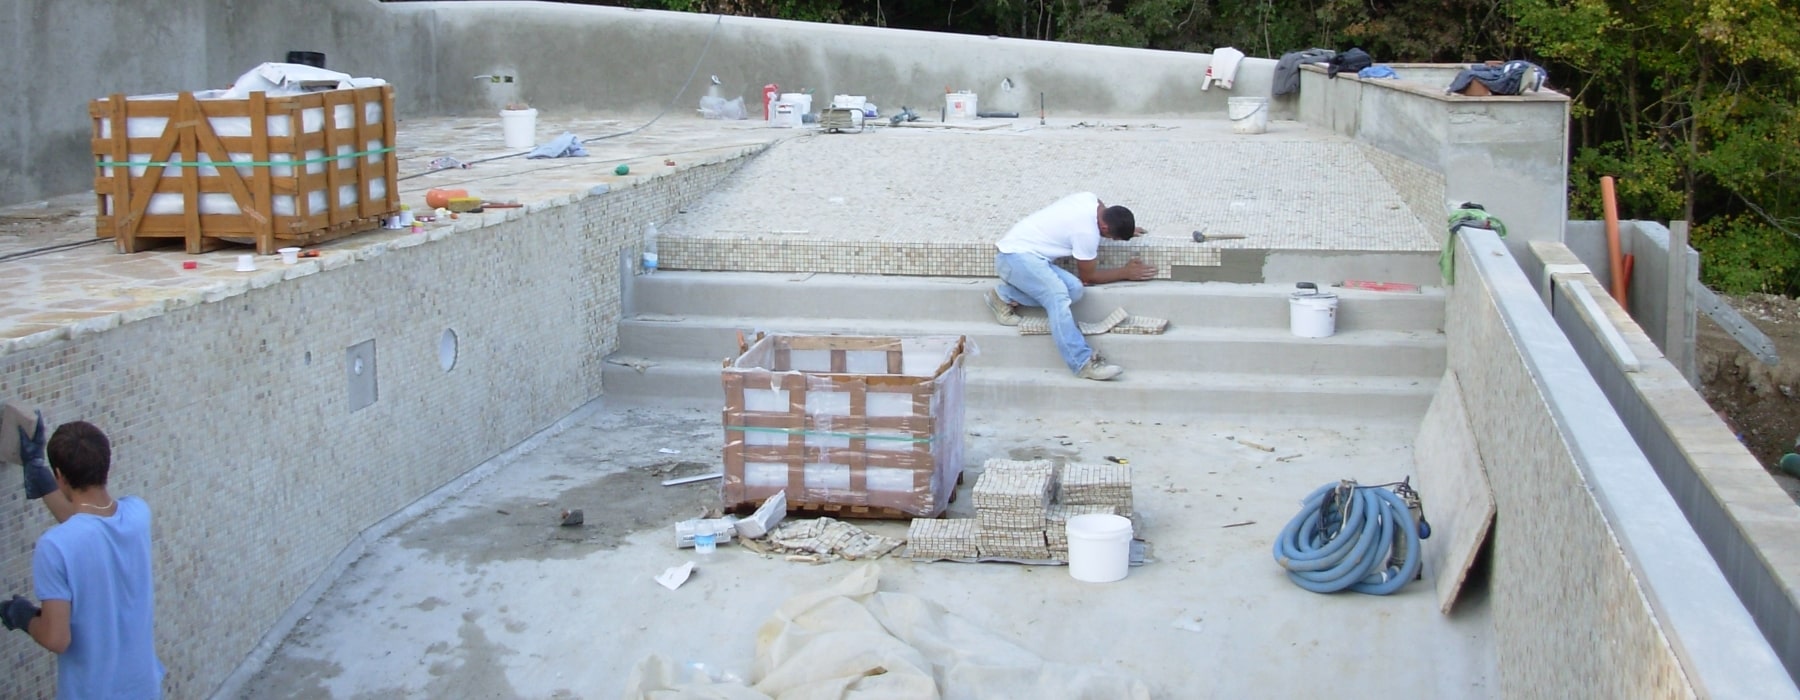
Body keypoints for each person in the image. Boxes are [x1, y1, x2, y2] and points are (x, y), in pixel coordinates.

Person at [5, 414, 164, 698]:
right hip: (143, 688)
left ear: (60, 477)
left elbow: (56, 638)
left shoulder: (55, 547)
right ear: (106, 466)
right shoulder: (138, 514)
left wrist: (22, 615)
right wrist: (38, 472)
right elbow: (88, 525)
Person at [986, 192, 1156, 380]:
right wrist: (1125, 273)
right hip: (1014, 258)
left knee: (1074, 290)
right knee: (1058, 297)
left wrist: (1123, 229)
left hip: (1030, 257)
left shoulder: (1090, 199)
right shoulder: (1086, 233)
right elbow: (1089, 277)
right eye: (1113, 237)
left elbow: (1105, 213)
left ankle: (1004, 296)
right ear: (1105, 227)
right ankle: (1082, 363)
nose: (1111, 240)